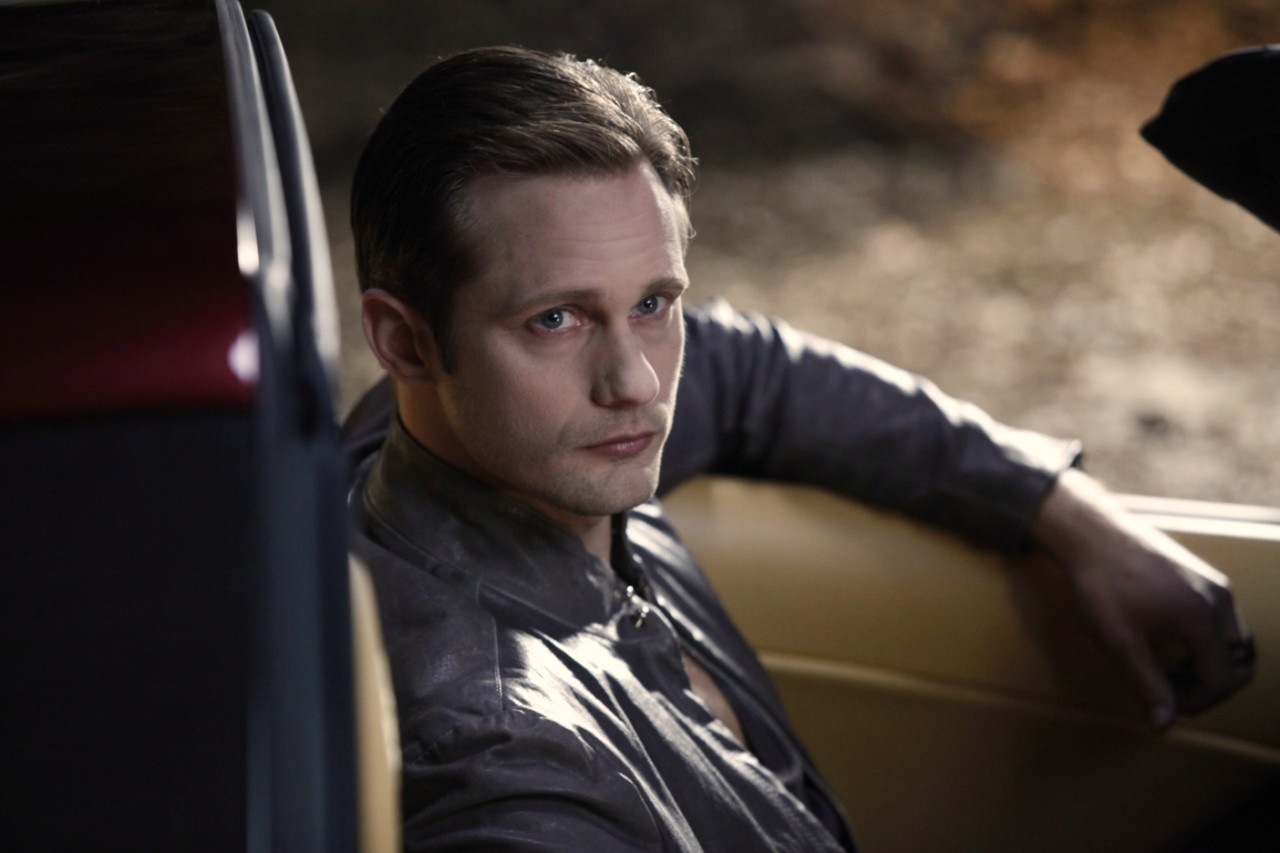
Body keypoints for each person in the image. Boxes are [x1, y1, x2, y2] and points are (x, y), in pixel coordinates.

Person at [343, 46, 1254, 850]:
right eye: (557, 319)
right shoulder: (506, 763)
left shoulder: (472, 434)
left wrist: (1061, 507)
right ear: (405, 342)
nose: (637, 381)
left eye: (653, 302)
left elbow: (747, 370)